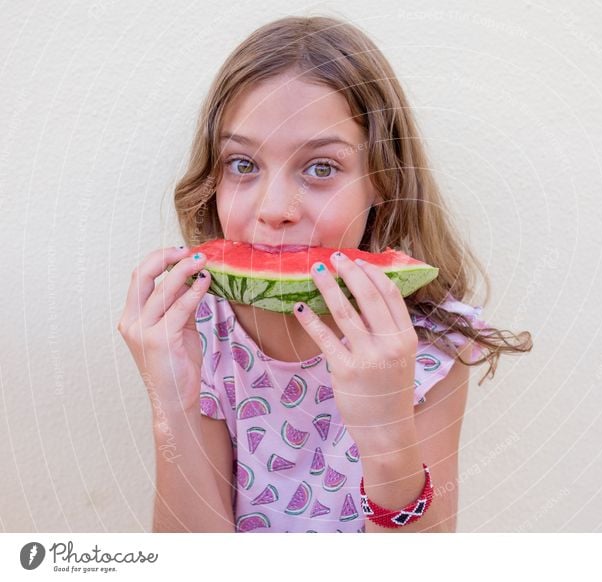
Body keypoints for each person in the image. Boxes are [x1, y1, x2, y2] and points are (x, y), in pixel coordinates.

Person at [117, 15, 532, 533]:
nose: (274, 209)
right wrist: (172, 407)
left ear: (383, 179)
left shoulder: (428, 343)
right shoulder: (194, 328)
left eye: (320, 168)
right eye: (243, 164)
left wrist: (387, 437)